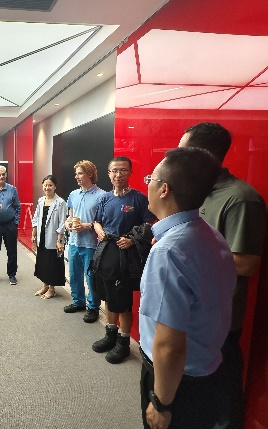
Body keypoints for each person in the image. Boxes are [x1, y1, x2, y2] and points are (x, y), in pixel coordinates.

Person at [139, 147, 236, 429]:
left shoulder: (168, 251)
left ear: (164, 189)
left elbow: (169, 346)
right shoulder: (210, 234)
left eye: (150, 179)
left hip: (177, 383)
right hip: (207, 371)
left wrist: (162, 403)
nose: (147, 185)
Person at [179, 122, 267, 429]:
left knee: (223, 405)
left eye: (182, 149)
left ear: (201, 153)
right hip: (191, 314)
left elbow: (246, 263)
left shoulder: (240, 198)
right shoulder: (194, 193)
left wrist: (181, 253)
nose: (176, 156)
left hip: (220, 323)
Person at [91, 156, 155, 364]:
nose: (118, 174)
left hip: (126, 255)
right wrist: (99, 230)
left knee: (124, 300)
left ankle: (124, 342)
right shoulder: (105, 198)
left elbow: (150, 224)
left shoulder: (138, 199)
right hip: (106, 251)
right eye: (114, 171)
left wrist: (132, 240)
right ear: (109, 174)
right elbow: (97, 221)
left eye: (123, 170)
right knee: (108, 294)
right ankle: (110, 334)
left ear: (130, 173)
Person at [63, 160, 105, 322]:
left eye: (80, 173)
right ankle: (78, 302)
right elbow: (70, 216)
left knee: (91, 277)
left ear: (90, 174)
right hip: (74, 242)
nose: (77, 177)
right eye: (76, 174)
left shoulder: (102, 196)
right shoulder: (73, 194)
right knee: (74, 275)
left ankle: (93, 307)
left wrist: (87, 226)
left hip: (91, 244)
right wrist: (67, 223)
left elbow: (104, 222)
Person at [31, 175, 67, 299]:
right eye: (45, 185)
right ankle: (45, 286)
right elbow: (35, 219)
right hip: (41, 237)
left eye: (50, 185)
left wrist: (59, 240)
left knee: (52, 263)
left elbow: (62, 223)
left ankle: (52, 289)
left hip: (53, 238)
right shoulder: (41, 200)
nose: (47, 187)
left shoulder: (60, 202)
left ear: (55, 186)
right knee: (43, 262)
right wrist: (33, 235)